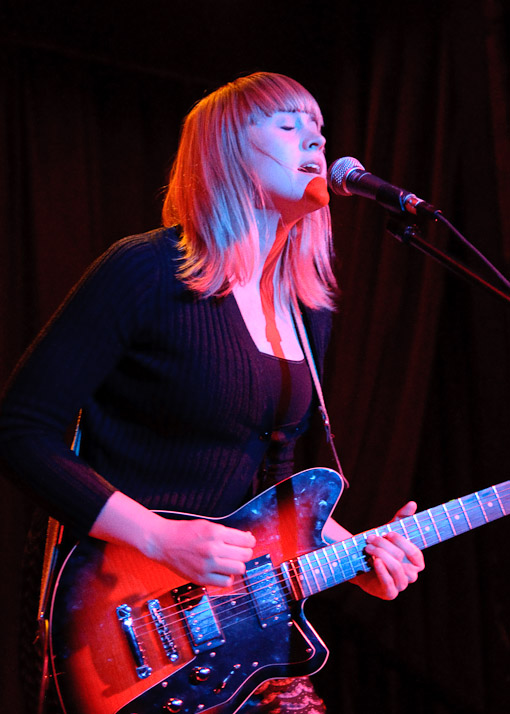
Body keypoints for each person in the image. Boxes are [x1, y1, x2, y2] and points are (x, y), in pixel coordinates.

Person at [0, 72, 424, 714]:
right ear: (227, 148)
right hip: (123, 623)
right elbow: (20, 430)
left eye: (318, 128)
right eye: (288, 125)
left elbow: (270, 498)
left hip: (242, 636)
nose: (315, 139)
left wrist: (355, 553)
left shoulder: (307, 313)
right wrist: (158, 537)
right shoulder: (146, 271)